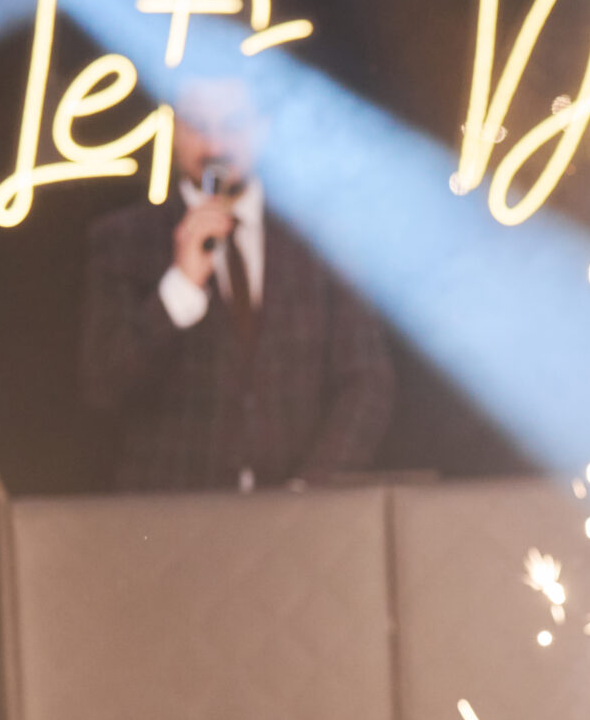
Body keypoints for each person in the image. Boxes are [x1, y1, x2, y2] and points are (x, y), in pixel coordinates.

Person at [78, 77, 393, 492]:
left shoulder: (322, 240)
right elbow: (105, 385)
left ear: (263, 129)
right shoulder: (124, 239)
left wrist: (311, 490)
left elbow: (367, 381)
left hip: (299, 510)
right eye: (197, 125)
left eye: (232, 125)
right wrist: (180, 288)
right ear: (172, 130)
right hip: (172, 515)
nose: (214, 146)